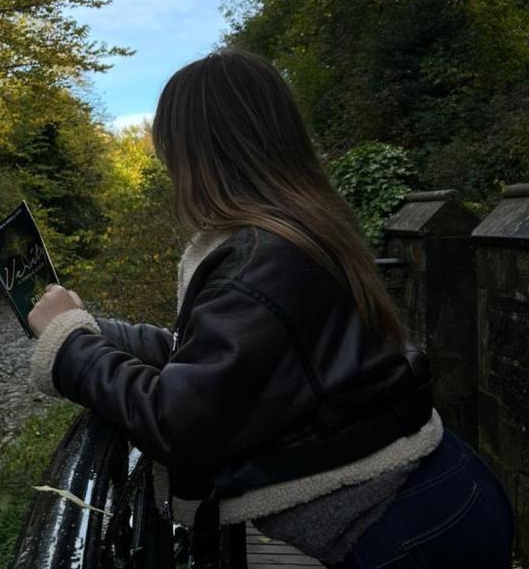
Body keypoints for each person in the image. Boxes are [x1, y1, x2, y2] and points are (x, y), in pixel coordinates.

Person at [26, 49, 514, 568]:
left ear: (199, 153)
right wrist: (88, 326)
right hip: (429, 499)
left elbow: (179, 423)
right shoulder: (297, 231)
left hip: (403, 534)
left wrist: (69, 346)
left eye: (170, 150)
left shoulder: (261, 262)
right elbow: (208, 356)